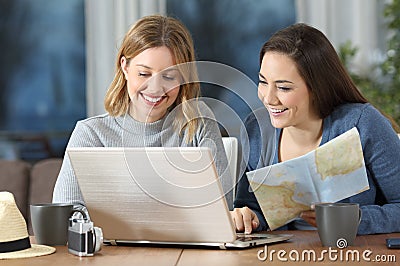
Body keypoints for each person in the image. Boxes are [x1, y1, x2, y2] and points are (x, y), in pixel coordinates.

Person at [231, 23, 400, 235]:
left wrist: (354, 219)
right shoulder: (256, 129)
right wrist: (248, 217)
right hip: (281, 255)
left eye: (284, 87)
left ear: (316, 87)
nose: (268, 98)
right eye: (263, 82)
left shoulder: (362, 123)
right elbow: (254, 209)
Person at [52, 15, 233, 212]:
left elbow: (220, 207)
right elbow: (66, 212)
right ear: (125, 67)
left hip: (185, 244)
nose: (155, 88)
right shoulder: (91, 134)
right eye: (144, 74)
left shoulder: (197, 124)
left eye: (169, 76)